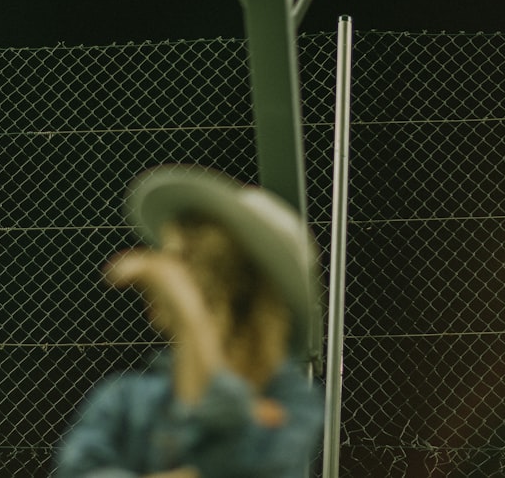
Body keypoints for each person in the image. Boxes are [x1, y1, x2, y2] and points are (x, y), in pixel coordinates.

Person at [55, 165, 323, 478]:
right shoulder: (125, 400)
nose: (160, 272)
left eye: (181, 261)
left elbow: (230, 432)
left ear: (240, 292)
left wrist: (188, 312)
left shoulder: (292, 402)